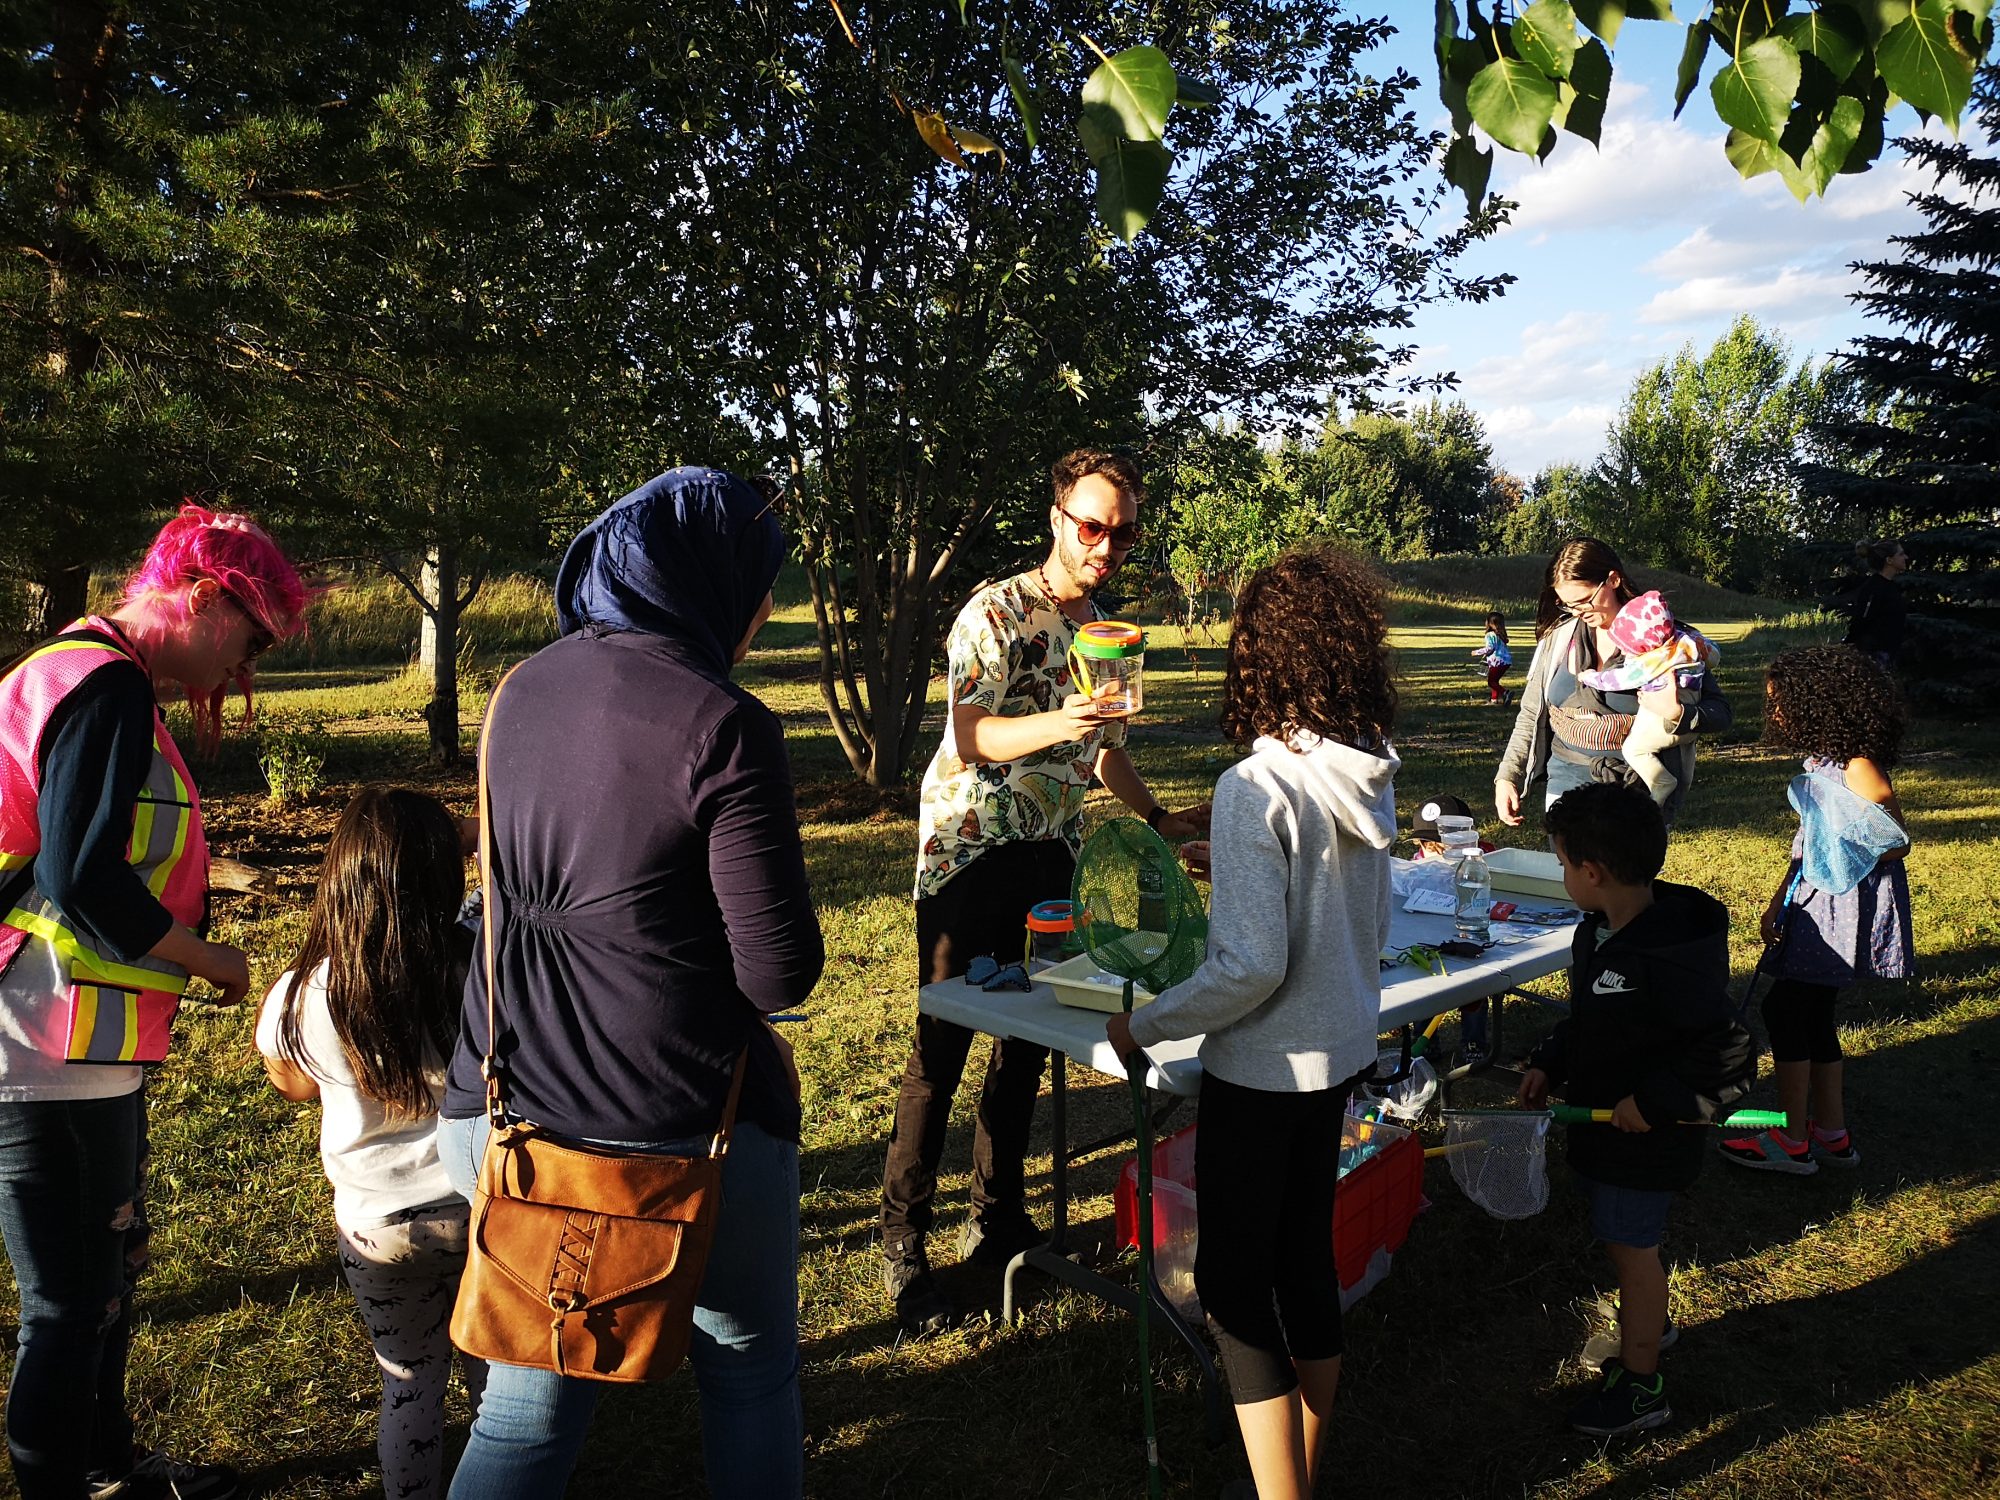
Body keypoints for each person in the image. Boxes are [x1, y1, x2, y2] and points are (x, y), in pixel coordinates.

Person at [435, 467, 823, 1498]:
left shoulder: (521, 689)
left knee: (528, 1399)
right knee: (746, 1368)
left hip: (501, 1102)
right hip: (666, 1138)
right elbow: (780, 972)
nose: (765, 608)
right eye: (759, 582)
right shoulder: (724, 725)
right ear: (711, 582)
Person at [0, 504, 307, 1500]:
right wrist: (210, 960)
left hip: (66, 1036)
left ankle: (108, 1467)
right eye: (250, 638)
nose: (244, 668)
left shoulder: (75, 670)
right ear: (207, 598)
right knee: (68, 1302)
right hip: (46, 1038)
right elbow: (82, 877)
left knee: (98, 1284)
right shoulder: (105, 688)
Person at [881, 448, 1207, 1336]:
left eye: (1124, 531)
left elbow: (1103, 751)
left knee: (1029, 1043)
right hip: (971, 852)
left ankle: (999, 1218)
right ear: (1058, 518)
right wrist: (1062, 721)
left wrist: (1163, 818)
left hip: (1049, 853)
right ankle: (903, 1246)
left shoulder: (1099, 627)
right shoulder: (994, 610)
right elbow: (972, 733)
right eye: (1093, 524)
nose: (1107, 544)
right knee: (941, 1048)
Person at [1107, 544, 1397, 1500]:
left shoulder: (1257, 784)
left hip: (1268, 1069)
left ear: (1260, 656)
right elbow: (1306, 912)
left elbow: (1250, 967)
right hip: (1340, 1050)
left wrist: (1145, 1028)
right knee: (1304, 1257)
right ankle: (1302, 1477)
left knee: (1235, 1291)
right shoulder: (1364, 771)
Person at [255, 788, 485, 1499]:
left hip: (376, 1228)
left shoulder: (304, 991)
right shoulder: (479, 965)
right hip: (482, 1212)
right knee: (496, 1386)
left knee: (408, 1384)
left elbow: (292, 1085)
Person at [1517, 781, 1754, 1437]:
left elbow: (1729, 1053)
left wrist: (1651, 1102)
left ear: (1591, 873)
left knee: (1632, 1253)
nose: (1564, 876)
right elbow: (1592, 1021)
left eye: (1564, 865)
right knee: (1627, 1249)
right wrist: (1549, 1060)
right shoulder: (1602, 933)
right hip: (1603, 1135)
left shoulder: (1668, 957)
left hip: (1646, 1144)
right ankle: (1652, 1324)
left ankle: (1643, 1386)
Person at [1720, 645, 1913, 1175]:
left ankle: (1792, 1138)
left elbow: (1894, 840)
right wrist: (1781, 898)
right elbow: (1810, 841)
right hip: (1812, 901)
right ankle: (1830, 1133)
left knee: (1786, 1010)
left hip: (1838, 908)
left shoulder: (1857, 767)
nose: (1774, 711)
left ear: (1817, 703)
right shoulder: (1825, 762)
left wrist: (1854, 844)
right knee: (1809, 1012)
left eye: (1779, 701)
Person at [1494, 538, 1731, 831]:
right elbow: (1532, 712)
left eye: (1584, 600)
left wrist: (1679, 714)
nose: (1578, 611)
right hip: (1565, 776)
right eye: (1567, 604)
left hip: (1638, 787)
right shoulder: (1559, 638)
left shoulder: (1664, 639)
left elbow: (1721, 712)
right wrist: (1508, 775)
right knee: (1570, 871)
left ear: (1613, 579)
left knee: (1625, 876)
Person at [1576, 591, 1721, 807]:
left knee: (1634, 749)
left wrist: (1590, 677)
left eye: (1626, 645)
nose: (1624, 650)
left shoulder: (1650, 661)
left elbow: (1618, 680)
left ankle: (1661, 782)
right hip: (1691, 703)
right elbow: (1714, 657)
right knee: (1687, 743)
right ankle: (1684, 783)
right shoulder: (1687, 642)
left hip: (1659, 713)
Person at [1407, 793, 1496, 1063]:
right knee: (1423, 987)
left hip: (1469, 930)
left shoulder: (1483, 859)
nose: (1433, 853)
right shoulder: (1417, 864)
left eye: (1440, 845)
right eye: (1427, 846)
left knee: (1474, 989)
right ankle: (1426, 1041)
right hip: (1430, 934)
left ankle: (1473, 1042)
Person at [1831, 538, 1910, 670]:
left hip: (1888, 656)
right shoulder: (1874, 588)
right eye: (1901, 554)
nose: (1906, 557)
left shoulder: (1892, 588)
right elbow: (1862, 619)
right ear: (1889, 560)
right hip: (1874, 658)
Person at [1472, 611, 1513, 707]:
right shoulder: (1501, 635)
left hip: (1497, 662)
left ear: (1490, 623)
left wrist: (1476, 652)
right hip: (1506, 662)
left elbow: (1490, 648)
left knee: (1491, 682)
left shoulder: (1490, 635)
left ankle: (1505, 693)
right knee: (1495, 681)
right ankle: (1494, 700)